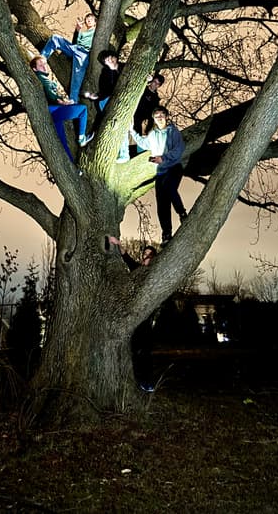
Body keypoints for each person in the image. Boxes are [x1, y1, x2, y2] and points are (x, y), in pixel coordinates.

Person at [129, 106, 187, 244]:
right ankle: (166, 234)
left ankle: (182, 213)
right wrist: (132, 130)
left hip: (173, 167)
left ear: (166, 117)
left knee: (170, 188)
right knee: (162, 204)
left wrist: (163, 158)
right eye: (156, 115)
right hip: (160, 171)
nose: (159, 117)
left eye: (162, 115)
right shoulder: (153, 134)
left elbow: (179, 149)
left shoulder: (173, 132)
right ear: (154, 118)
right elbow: (144, 144)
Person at [108, 237, 158, 392]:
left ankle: (148, 382)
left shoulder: (155, 273)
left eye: (149, 255)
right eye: (144, 254)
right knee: (137, 350)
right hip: (135, 314)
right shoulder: (137, 268)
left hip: (147, 315)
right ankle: (140, 380)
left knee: (146, 350)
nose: (145, 256)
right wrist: (117, 244)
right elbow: (126, 257)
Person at [30, 55, 94, 160]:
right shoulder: (42, 78)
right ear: (35, 69)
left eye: (44, 64)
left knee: (62, 142)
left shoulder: (41, 78)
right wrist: (61, 101)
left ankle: (73, 167)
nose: (44, 67)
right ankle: (82, 139)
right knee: (82, 109)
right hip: (53, 110)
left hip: (51, 113)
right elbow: (50, 92)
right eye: (40, 65)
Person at [40, 13, 97, 102]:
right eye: (87, 18)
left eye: (91, 19)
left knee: (76, 80)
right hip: (75, 48)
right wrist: (77, 30)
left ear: (95, 22)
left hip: (83, 54)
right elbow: (75, 43)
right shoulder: (83, 34)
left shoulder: (96, 32)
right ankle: (42, 59)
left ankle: (73, 102)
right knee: (55, 38)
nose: (88, 20)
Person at [93, 49, 130, 163]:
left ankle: (123, 153)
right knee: (112, 124)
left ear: (115, 57)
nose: (110, 61)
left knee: (121, 123)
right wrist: (111, 71)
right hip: (107, 101)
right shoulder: (105, 72)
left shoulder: (126, 67)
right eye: (106, 61)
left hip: (123, 101)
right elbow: (107, 90)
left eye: (111, 58)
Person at [131, 73, 165, 156]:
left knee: (136, 138)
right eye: (154, 82)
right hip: (132, 115)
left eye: (157, 84)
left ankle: (133, 155)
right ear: (151, 81)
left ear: (159, 86)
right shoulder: (143, 88)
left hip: (142, 121)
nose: (155, 84)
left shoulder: (156, 99)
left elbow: (153, 113)